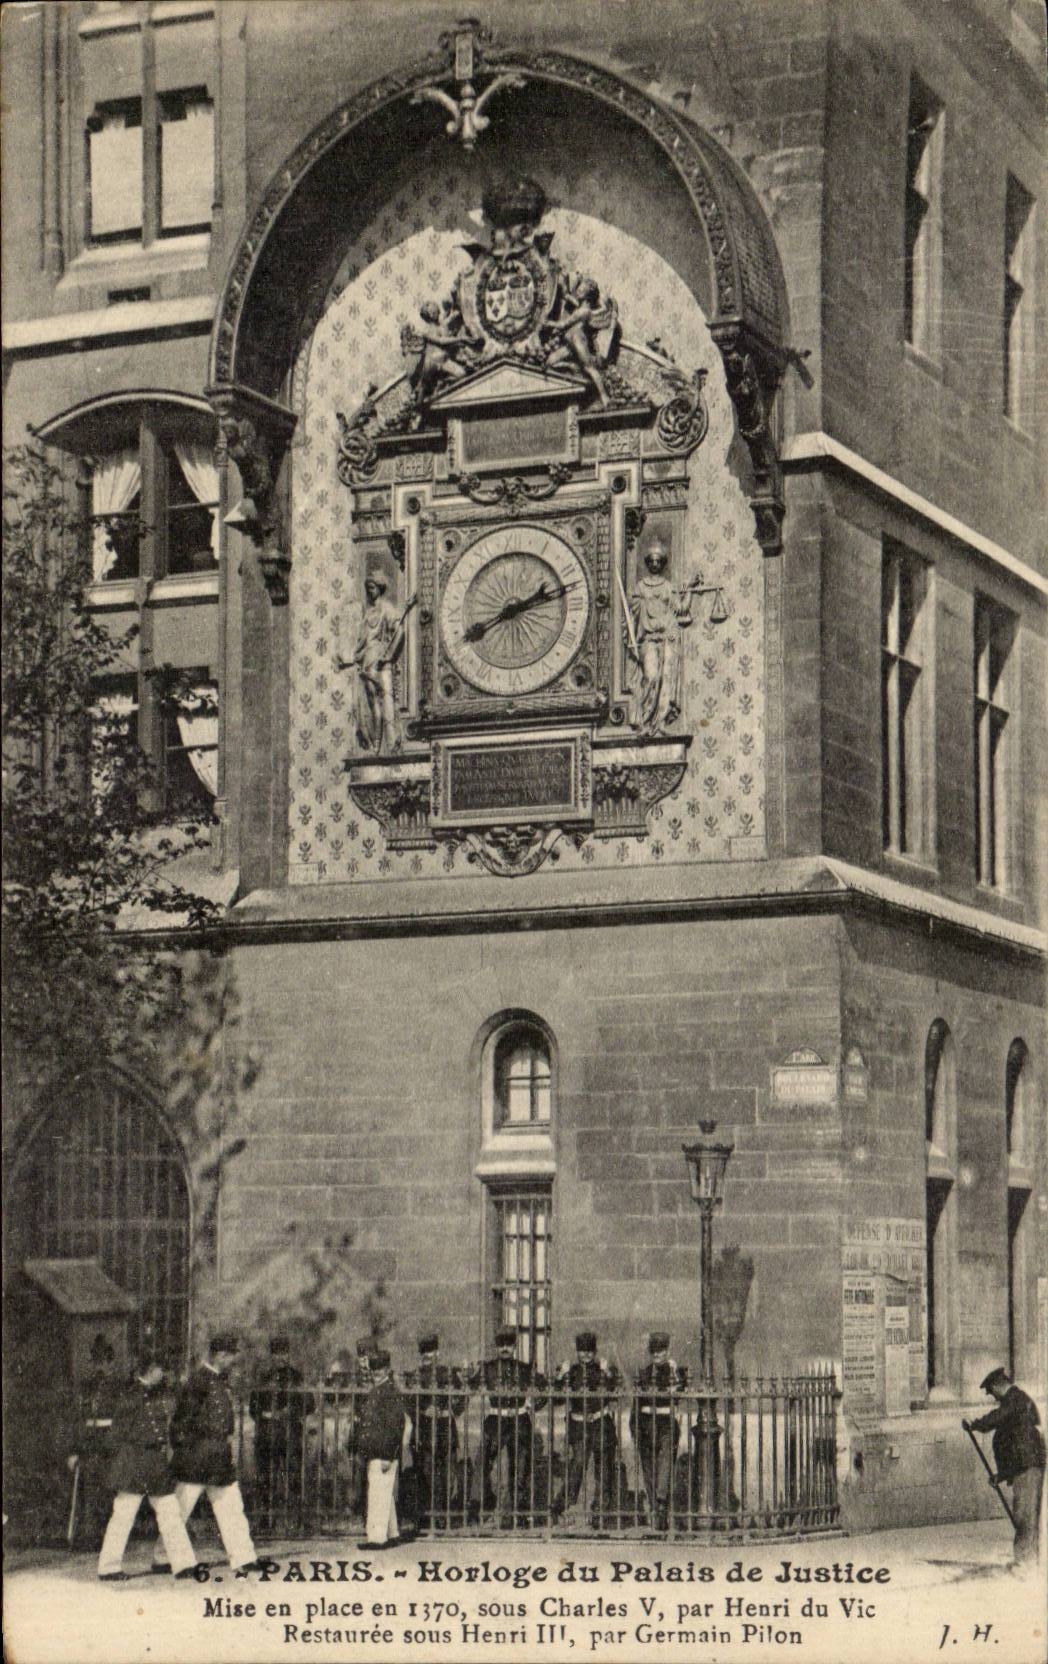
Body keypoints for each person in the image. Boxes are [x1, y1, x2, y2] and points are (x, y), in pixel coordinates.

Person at [161, 1335, 263, 1574]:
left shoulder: (217, 1381)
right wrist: (188, 1451)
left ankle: (244, 1557)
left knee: (231, 1506)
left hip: (217, 1456)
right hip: (196, 1457)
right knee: (180, 1509)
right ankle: (163, 1556)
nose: (231, 1360)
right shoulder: (198, 1382)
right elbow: (181, 1422)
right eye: (229, 1356)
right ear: (219, 1355)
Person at [96, 1357, 198, 1582]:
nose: (164, 1374)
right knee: (123, 1514)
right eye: (161, 1369)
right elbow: (116, 1435)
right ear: (152, 1370)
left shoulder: (157, 1394)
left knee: (170, 1511)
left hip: (154, 1462)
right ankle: (108, 1567)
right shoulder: (130, 1396)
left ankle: (183, 1564)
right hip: (134, 1462)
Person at [966, 1368, 1045, 1568]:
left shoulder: (1015, 1399)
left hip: (1027, 1467)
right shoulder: (1017, 1401)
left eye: (992, 1392)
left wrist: (976, 1425)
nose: (993, 1397)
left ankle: (1025, 1563)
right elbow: (1014, 1445)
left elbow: (998, 1418)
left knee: (1025, 1515)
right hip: (1025, 1465)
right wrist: (1001, 1475)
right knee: (1025, 1514)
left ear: (999, 1385)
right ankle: (1028, 1559)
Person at [471, 1327, 547, 1521]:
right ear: (497, 1346)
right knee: (482, 1463)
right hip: (495, 1420)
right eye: (501, 1345)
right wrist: (470, 1375)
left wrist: (533, 1404)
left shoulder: (524, 1368)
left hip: (519, 1420)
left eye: (509, 1344)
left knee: (520, 1467)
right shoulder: (487, 1368)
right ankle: (483, 1505)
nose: (505, 1348)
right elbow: (469, 1386)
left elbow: (545, 1388)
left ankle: (515, 1513)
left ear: (514, 1346)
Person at [553, 1333, 621, 1526]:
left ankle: (600, 1512)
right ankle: (561, 1505)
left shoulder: (602, 1369)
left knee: (604, 1470)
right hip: (579, 1425)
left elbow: (616, 1391)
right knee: (577, 1466)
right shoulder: (571, 1371)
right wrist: (560, 1376)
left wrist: (608, 1373)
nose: (586, 1355)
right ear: (577, 1352)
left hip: (601, 1424)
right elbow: (557, 1398)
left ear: (595, 1351)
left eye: (590, 1351)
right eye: (582, 1351)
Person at [627, 542, 694, 735]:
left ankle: (660, 723)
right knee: (651, 676)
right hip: (648, 639)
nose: (655, 564)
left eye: (658, 561)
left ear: (662, 563)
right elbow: (632, 614)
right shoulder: (640, 587)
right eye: (652, 561)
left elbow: (681, 609)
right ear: (648, 563)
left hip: (666, 638)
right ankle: (645, 720)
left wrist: (688, 588)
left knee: (666, 680)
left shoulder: (667, 587)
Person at [249, 1337, 313, 1531]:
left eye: (284, 1353)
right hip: (267, 1436)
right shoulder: (263, 1378)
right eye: (277, 1354)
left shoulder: (297, 1377)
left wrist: (290, 1412)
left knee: (294, 1478)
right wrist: (265, 1414)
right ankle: (264, 1519)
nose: (280, 1358)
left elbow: (310, 1404)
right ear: (271, 1356)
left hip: (291, 1435)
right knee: (266, 1478)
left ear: (288, 1354)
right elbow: (253, 1407)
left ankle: (296, 1520)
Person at [406, 1333, 466, 1524]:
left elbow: (462, 1397)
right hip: (424, 1429)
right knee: (425, 1473)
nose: (428, 1357)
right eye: (424, 1353)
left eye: (431, 1352)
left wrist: (451, 1411)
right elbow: (408, 1402)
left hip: (445, 1428)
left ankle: (442, 1516)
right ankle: (426, 1517)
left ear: (437, 1353)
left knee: (447, 1474)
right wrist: (424, 1410)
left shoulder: (448, 1374)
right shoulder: (415, 1376)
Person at [630, 1333, 688, 1531]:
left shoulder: (674, 1371)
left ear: (667, 1351)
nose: (658, 1356)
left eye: (661, 1352)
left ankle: (662, 1504)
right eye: (654, 1353)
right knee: (649, 1470)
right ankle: (656, 1510)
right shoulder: (644, 1373)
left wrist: (674, 1372)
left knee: (664, 1465)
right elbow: (636, 1404)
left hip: (666, 1424)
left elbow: (681, 1389)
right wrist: (635, 1429)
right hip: (646, 1425)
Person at [69, 1334, 120, 1550]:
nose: (100, 1367)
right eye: (96, 1361)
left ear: (111, 1362)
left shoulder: (120, 1387)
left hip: (111, 1442)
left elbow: (122, 1419)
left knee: (110, 1490)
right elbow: (78, 1419)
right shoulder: (86, 1387)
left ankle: (110, 1539)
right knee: (90, 1490)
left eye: (105, 1361)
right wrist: (74, 1450)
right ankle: (90, 1537)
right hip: (90, 1444)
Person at [356, 1350, 406, 1549]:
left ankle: (376, 1539)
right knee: (383, 1491)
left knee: (378, 1492)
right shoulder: (377, 1391)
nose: (376, 1372)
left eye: (380, 1368)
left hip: (383, 1452)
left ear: (387, 1369)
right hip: (374, 1451)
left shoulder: (390, 1393)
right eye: (374, 1368)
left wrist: (388, 1455)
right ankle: (393, 1534)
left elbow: (395, 1427)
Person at [349, 572, 403, 754]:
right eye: (367, 588)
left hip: (378, 660)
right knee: (371, 703)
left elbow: (400, 631)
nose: (369, 591)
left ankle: (382, 744)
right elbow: (361, 642)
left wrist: (389, 656)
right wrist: (350, 659)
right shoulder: (368, 613)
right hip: (366, 660)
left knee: (380, 702)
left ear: (380, 588)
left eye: (372, 587)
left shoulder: (386, 608)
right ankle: (375, 744)